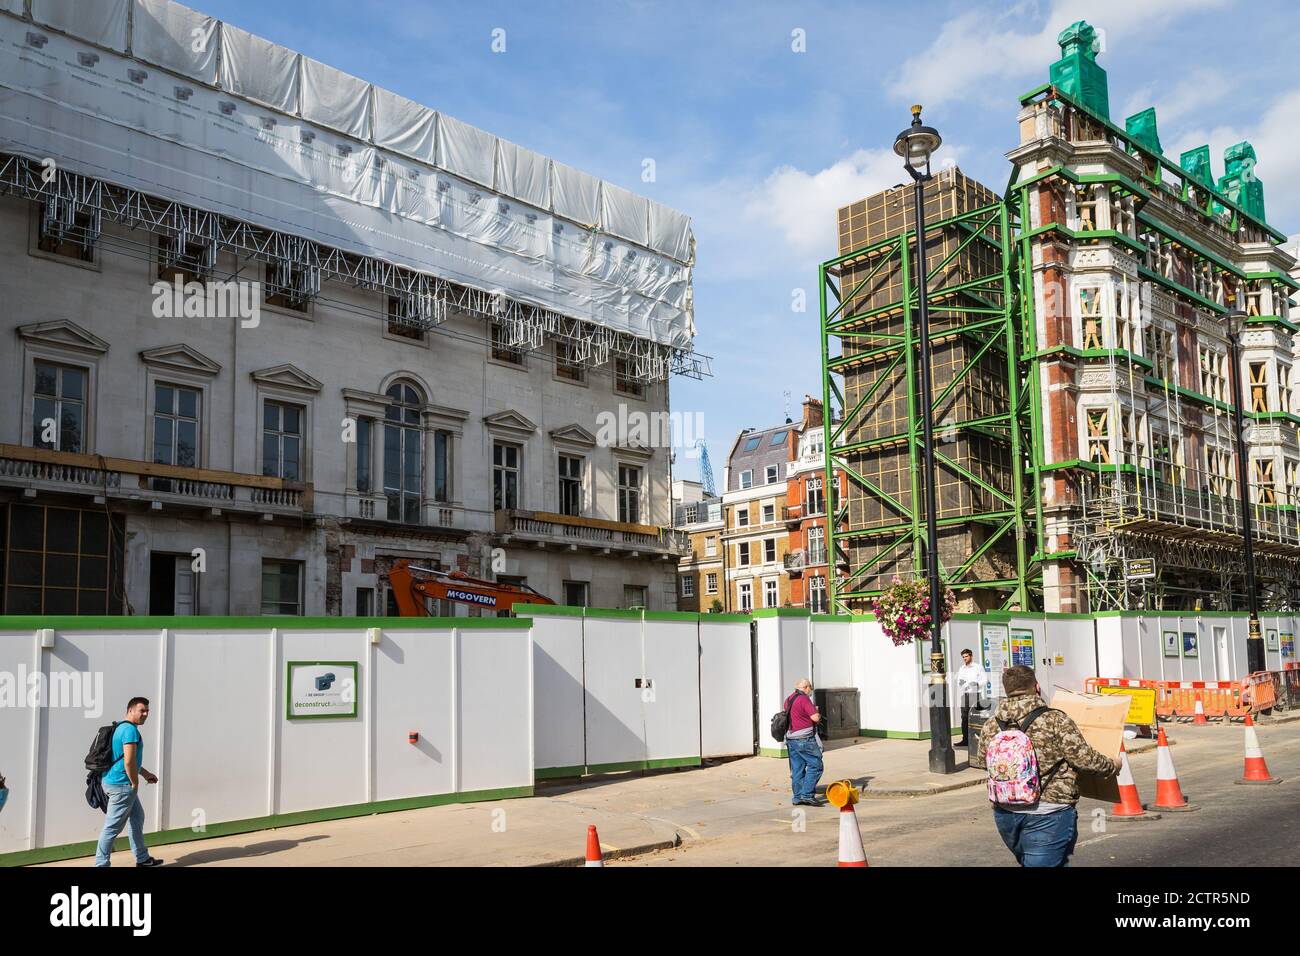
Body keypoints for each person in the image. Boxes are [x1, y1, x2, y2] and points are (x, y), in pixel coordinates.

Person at [974, 665, 1121, 868]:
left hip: (1005, 814)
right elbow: (1084, 759)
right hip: (1048, 812)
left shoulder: (992, 724)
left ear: (1006, 690)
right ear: (1037, 687)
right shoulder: (1054, 719)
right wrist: (1112, 765)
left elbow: (983, 761)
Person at [95, 697, 163, 867]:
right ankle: (100, 865)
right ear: (131, 710)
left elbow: (125, 759)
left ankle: (142, 858)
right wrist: (134, 782)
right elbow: (129, 761)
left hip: (117, 782)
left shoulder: (120, 727)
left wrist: (145, 773)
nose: (146, 714)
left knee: (137, 817)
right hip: (122, 785)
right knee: (112, 828)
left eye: (147, 711)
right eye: (142, 710)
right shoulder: (130, 731)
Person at [784, 678, 824, 807]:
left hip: (791, 739)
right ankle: (807, 795)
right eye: (810, 688)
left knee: (797, 769)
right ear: (806, 687)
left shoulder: (789, 699)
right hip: (804, 739)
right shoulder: (804, 699)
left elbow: (796, 716)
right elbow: (815, 717)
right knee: (816, 765)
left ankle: (797, 797)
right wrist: (816, 712)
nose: (810, 691)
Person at [955, 648, 983, 747]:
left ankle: (977, 739)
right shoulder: (962, 668)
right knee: (964, 718)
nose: (965, 659)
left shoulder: (978, 667)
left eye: (966, 656)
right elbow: (959, 681)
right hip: (965, 695)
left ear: (971, 656)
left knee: (976, 717)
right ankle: (965, 740)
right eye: (963, 657)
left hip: (975, 695)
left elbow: (984, 680)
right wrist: (964, 685)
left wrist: (974, 684)